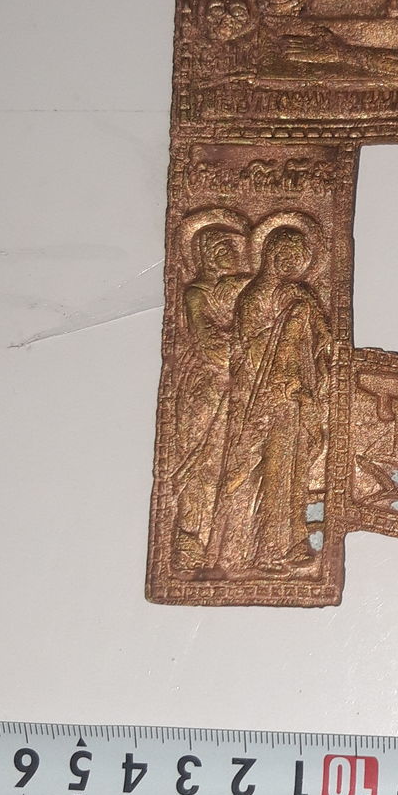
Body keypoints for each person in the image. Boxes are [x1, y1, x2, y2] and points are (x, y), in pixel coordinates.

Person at [206, 224, 330, 574]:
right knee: (270, 473)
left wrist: (307, 314)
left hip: (293, 398)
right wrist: (291, 322)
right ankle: (261, 551)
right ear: (270, 255)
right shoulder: (254, 298)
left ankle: (291, 544)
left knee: (292, 471)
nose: (290, 264)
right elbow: (253, 350)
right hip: (263, 399)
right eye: (285, 256)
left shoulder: (298, 295)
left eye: (297, 259)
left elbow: (323, 339)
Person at [171, 224, 247, 573]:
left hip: (235, 385)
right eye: (223, 248)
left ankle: (225, 543)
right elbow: (210, 343)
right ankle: (190, 537)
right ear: (208, 255)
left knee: (228, 461)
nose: (232, 253)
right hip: (207, 387)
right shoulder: (196, 294)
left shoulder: (236, 289)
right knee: (204, 460)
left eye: (232, 247)